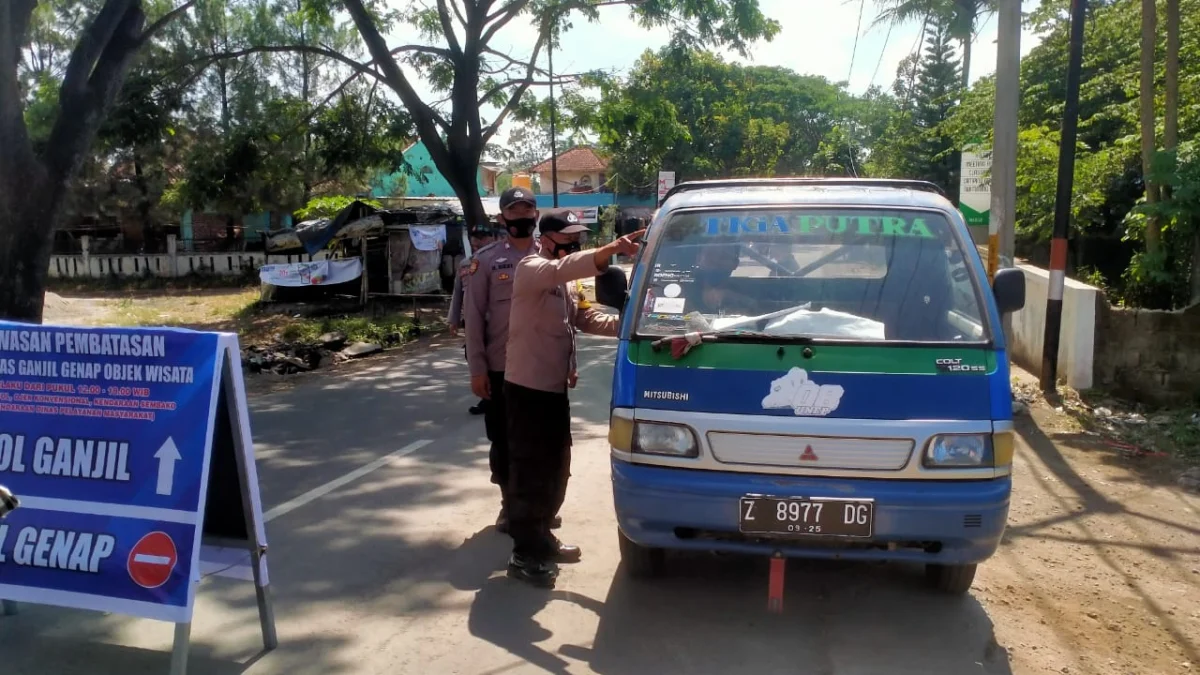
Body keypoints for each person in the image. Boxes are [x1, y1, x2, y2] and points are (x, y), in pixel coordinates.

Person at [503, 209, 645, 587]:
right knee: (531, 472)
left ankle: (544, 537)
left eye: (578, 236)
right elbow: (565, 269)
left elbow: (585, 319)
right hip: (527, 388)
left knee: (556, 467)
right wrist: (610, 250)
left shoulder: (567, 282)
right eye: (568, 237)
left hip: (552, 388)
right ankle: (524, 553)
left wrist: (635, 327)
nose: (574, 242)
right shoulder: (531, 268)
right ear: (547, 238)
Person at [464, 187, 545, 533]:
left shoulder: (553, 257)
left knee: (542, 442)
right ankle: (509, 504)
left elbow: (566, 316)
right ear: (502, 218)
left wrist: (570, 364)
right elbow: (473, 317)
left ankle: (540, 505)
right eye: (515, 211)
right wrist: (477, 369)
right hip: (501, 369)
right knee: (504, 440)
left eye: (528, 210)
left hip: (543, 369)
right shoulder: (485, 261)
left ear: (536, 215)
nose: (522, 217)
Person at [449, 225, 496, 415]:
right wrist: (453, 319)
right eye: (474, 238)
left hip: (496, 321)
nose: (477, 242)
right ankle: (487, 397)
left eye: (483, 237)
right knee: (474, 356)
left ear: (492, 239)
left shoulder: (500, 261)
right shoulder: (465, 265)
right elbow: (458, 293)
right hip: (473, 321)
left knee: (497, 359)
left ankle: (497, 397)